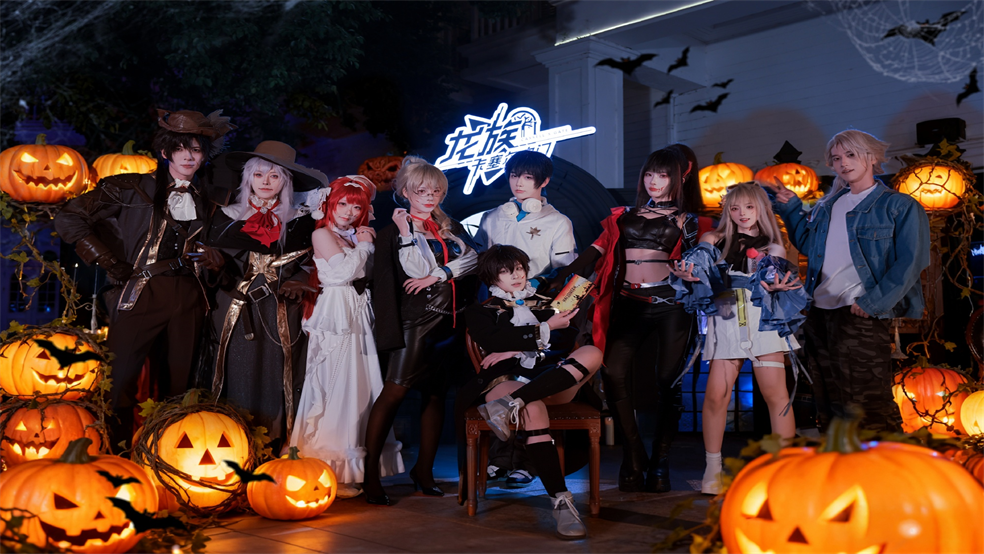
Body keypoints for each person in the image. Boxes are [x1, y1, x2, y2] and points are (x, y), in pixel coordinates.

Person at [55, 109, 234, 450]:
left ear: (203, 156)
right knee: (119, 378)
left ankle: (164, 454)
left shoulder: (212, 199)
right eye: (180, 148)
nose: (188, 156)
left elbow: (225, 247)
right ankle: (114, 452)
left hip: (190, 294)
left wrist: (216, 260)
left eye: (196, 150)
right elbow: (69, 218)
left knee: (179, 383)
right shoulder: (129, 188)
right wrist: (108, 259)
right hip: (141, 291)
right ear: (165, 152)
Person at [555, 146, 712, 493]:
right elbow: (596, 252)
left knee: (668, 381)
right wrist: (562, 278)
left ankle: (661, 461)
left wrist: (697, 272)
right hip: (628, 302)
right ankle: (634, 454)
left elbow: (707, 263)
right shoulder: (623, 215)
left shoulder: (690, 221)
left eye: (663, 175)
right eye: (649, 174)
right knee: (612, 371)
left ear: (679, 177)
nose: (654, 181)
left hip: (672, 305)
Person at [765, 129, 930, 432]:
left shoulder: (899, 206)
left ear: (872, 157)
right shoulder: (828, 205)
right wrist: (791, 208)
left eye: (851, 155)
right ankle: (839, 457)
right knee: (829, 398)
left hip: (860, 311)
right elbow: (809, 244)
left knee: (868, 401)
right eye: (836, 158)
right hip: (819, 312)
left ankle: (887, 460)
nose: (843, 163)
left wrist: (873, 303)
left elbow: (911, 261)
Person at [670, 182, 808, 494]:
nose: (742, 214)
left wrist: (774, 283)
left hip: (763, 322)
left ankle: (784, 470)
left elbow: (773, 274)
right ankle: (713, 468)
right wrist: (689, 274)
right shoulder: (713, 239)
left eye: (748, 207)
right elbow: (698, 266)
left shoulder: (773, 246)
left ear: (761, 208)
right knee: (716, 395)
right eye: (734, 208)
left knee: (777, 396)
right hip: (725, 320)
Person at [464, 245, 603, 540]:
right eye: (505, 271)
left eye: (518, 268)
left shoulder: (546, 301)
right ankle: (562, 503)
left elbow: (566, 338)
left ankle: (510, 404)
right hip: (504, 379)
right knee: (533, 408)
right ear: (492, 277)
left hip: (550, 379)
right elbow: (493, 340)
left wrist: (517, 346)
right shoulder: (480, 311)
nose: (515, 276)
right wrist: (544, 330)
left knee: (592, 352)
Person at [363, 156, 478, 505]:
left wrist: (440, 274)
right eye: (421, 191)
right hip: (414, 322)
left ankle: (423, 472)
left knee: (436, 395)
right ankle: (370, 477)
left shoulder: (452, 228)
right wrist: (405, 233)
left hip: (450, 322)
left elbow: (474, 260)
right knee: (394, 392)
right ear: (405, 193)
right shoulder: (393, 232)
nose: (429, 197)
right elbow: (412, 272)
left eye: (435, 191)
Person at [206, 141, 328, 451]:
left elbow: (317, 262)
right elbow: (214, 271)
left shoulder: (302, 221)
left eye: (274, 176)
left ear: (285, 182)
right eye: (259, 175)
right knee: (235, 367)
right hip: (235, 307)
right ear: (248, 178)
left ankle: (278, 442)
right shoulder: (225, 217)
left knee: (278, 370)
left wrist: (301, 279)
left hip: (282, 307)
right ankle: (232, 440)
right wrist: (215, 266)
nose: (265, 182)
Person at [290, 176, 405, 498]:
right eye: (343, 204)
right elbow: (342, 273)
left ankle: (355, 470)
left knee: (360, 385)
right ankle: (328, 467)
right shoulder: (322, 234)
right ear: (330, 204)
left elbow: (369, 275)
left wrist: (365, 244)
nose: (349, 212)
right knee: (335, 383)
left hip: (358, 310)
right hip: (336, 312)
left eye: (356, 207)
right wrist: (366, 245)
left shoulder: (355, 236)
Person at [473, 150, 578, 487]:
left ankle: (525, 462)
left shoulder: (558, 222)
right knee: (501, 375)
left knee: (530, 375)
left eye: (528, 177)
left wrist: (542, 291)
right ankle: (500, 459)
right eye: (514, 175)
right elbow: (478, 262)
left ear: (544, 181)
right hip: (499, 308)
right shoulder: (492, 217)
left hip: (539, 307)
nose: (519, 183)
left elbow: (568, 272)